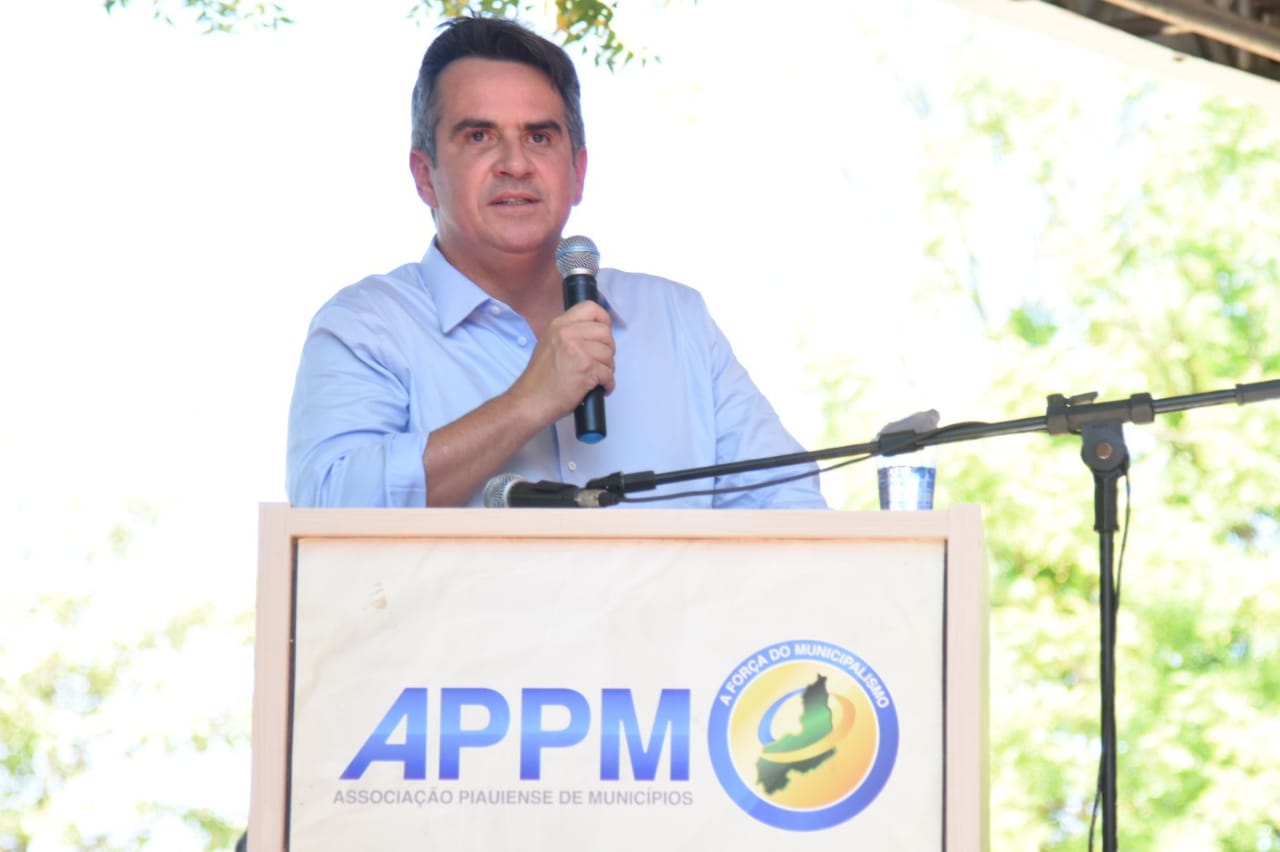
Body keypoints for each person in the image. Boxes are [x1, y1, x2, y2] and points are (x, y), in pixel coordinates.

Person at [285, 15, 826, 510]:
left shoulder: (676, 319)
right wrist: (528, 402)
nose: (515, 164)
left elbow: (789, 510)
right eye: (480, 136)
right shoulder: (367, 326)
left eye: (539, 136)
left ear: (578, 172)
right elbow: (326, 505)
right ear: (425, 176)